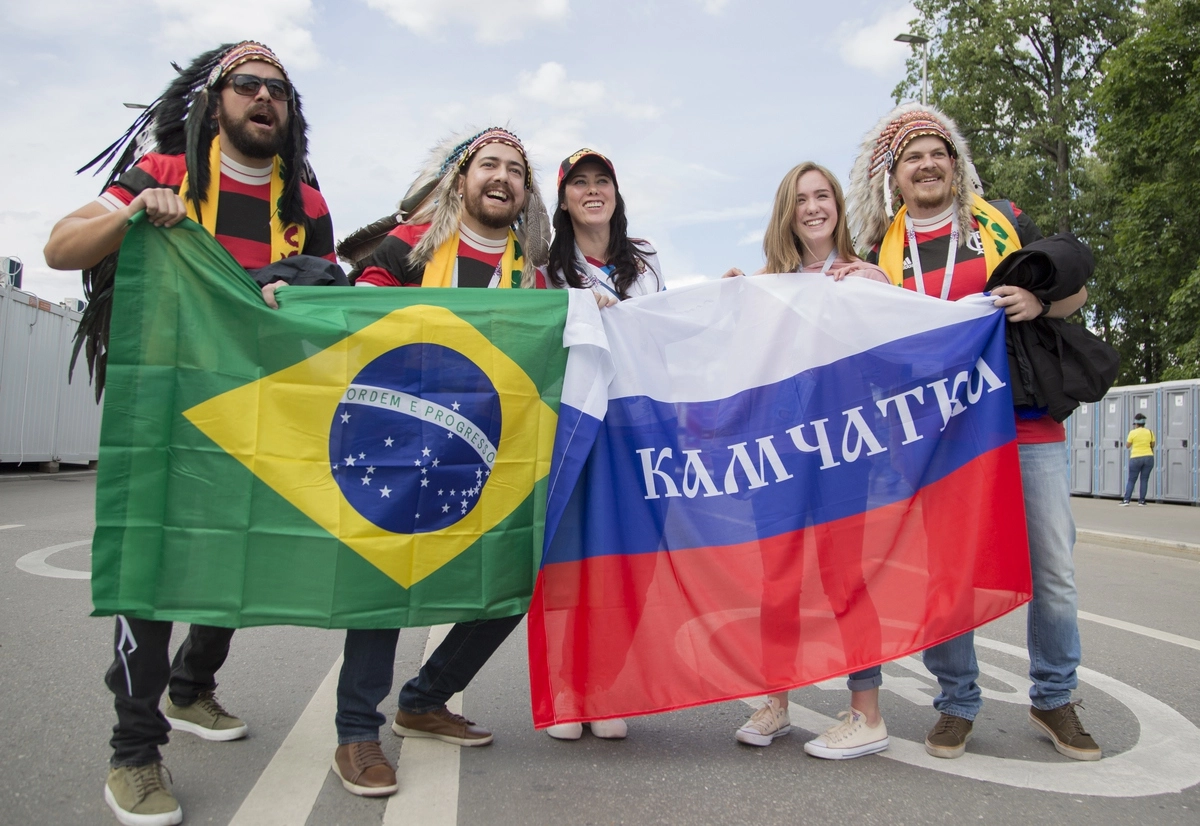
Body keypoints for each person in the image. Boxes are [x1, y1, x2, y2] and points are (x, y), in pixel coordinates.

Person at [44, 41, 337, 826]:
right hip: (167, 405)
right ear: (214, 99)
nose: (264, 97)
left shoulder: (305, 203)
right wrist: (134, 213)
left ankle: (191, 686)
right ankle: (133, 753)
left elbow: (331, 300)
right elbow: (60, 246)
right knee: (151, 567)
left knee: (239, 554)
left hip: (258, 414)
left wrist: (298, 286)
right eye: (247, 84)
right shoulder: (164, 170)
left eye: (278, 89)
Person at [847, 103, 1099, 762]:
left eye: (939, 153)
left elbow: (1074, 293)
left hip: (1025, 422)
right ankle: (956, 701)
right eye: (913, 157)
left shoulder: (1003, 221)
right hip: (941, 436)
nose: (927, 165)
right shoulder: (878, 253)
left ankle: (1055, 697)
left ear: (956, 167)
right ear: (894, 177)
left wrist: (1040, 302)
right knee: (949, 575)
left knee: (1053, 569)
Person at [329, 127, 551, 797]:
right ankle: (355, 732)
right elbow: (353, 307)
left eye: (515, 170)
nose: (502, 176)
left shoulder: (532, 275)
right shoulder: (411, 245)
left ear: (525, 192)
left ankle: (425, 699)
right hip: (400, 442)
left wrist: (587, 309)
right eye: (489, 164)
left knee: (511, 576)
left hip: (485, 452)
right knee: (382, 579)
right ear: (462, 178)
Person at [724, 162, 892, 760]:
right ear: (786, 213)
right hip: (777, 450)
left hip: (844, 448)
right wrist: (729, 303)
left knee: (845, 577)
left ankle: (867, 713)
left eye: (823, 196)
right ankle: (776, 701)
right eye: (801, 199)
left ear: (839, 207)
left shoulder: (863, 277)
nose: (814, 207)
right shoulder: (767, 286)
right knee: (778, 580)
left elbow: (897, 354)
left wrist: (880, 287)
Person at [538, 148, 664, 741]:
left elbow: (666, 332)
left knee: (625, 563)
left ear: (616, 192)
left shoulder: (647, 259)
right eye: (579, 183)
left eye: (602, 181)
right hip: (578, 430)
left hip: (637, 430)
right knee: (573, 564)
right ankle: (568, 688)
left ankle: (606, 686)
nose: (593, 191)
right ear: (564, 200)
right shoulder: (548, 270)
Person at [1122, 413, 1155, 506]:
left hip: (1136, 457)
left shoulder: (1132, 432)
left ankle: (1126, 500)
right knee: (1144, 479)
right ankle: (1142, 501)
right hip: (1148, 457)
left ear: (1136, 424)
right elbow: (1152, 444)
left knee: (1132, 479)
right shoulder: (1150, 432)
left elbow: (1127, 445)